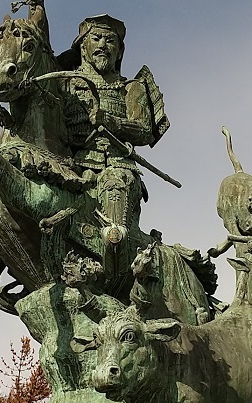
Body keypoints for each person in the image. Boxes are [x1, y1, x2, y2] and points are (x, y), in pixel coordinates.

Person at [62, 14, 167, 276]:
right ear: (83, 47)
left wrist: (110, 121)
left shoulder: (131, 87)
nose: (102, 45)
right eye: (95, 38)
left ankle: (113, 276)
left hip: (116, 168)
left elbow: (143, 130)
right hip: (73, 164)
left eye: (110, 41)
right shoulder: (65, 82)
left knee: (114, 227)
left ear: (119, 50)